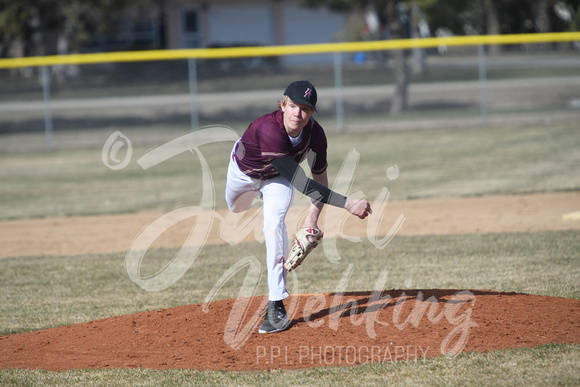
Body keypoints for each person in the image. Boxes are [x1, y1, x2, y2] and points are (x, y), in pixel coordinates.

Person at [225, 80, 372, 334]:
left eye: (305, 109)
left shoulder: (315, 134)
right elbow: (303, 184)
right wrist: (348, 203)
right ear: (282, 105)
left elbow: (319, 178)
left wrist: (312, 219)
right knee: (236, 208)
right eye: (293, 105)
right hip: (243, 174)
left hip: (277, 179)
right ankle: (252, 197)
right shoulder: (268, 129)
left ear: (312, 113)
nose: (298, 113)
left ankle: (276, 305)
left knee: (273, 225)